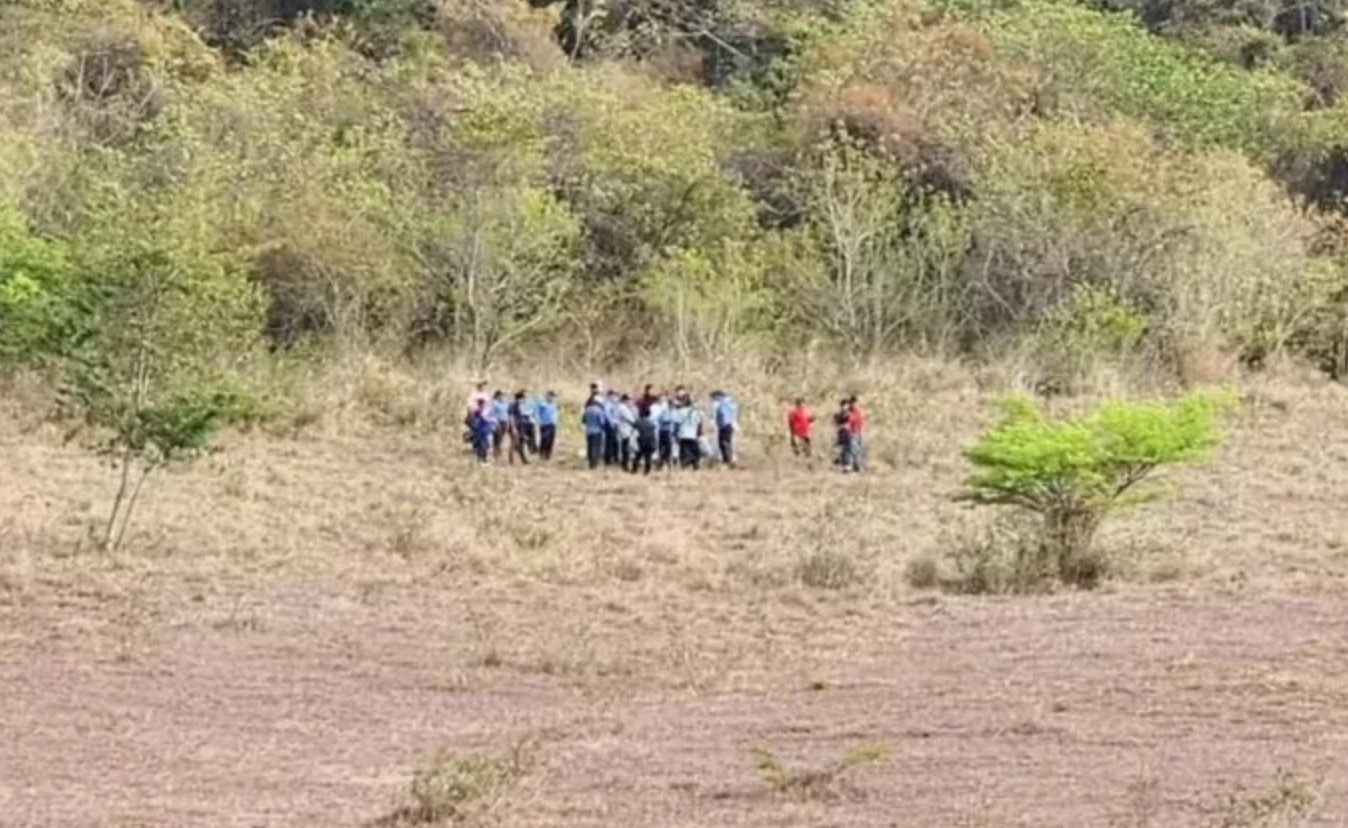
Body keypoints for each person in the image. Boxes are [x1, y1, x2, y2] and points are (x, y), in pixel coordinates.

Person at [673, 395, 703, 470]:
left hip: (683, 434)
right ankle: (695, 463)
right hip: (693, 434)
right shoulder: (696, 412)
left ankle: (685, 464)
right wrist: (698, 433)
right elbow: (699, 423)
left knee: (684, 450)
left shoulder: (681, 411)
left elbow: (677, 423)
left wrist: (675, 433)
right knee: (694, 450)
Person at [710, 390, 738, 468]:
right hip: (725, 426)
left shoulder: (723, 404)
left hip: (726, 425)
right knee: (723, 444)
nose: (713, 400)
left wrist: (720, 423)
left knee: (725, 443)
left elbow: (723, 415)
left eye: (713, 398)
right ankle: (728, 460)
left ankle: (728, 461)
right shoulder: (729, 403)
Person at [582, 395, 608, 469]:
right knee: (596, 446)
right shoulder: (599, 410)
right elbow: (602, 422)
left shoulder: (587, 409)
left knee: (590, 446)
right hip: (597, 431)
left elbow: (583, 420)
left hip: (588, 431)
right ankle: (594, 463)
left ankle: (590, 462)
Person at [506, 391, 531, 466]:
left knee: (520, 444)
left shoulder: (518, 405)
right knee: (513, 443)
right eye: (523, 399)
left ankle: (524, 461)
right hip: (514, 427)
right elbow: (511, 417)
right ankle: (511, 461)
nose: (524, 400)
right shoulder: (513, 405)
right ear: (519, 399)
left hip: (519, 427)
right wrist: (514, 428)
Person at [631, 408, 658, 475]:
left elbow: (634, 432)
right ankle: (647, 471)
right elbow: (654, 434)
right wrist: (655, 443)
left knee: (638, 456)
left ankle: (634, 470)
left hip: (641, 441)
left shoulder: (638, 422)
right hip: (650, 442)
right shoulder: (651, 423)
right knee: (648, 457)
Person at [615, 393, 637, 471]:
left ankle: (624, 464)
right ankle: (625, 465)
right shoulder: (623, 408)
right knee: (625, 448)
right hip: (625, 430)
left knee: (625, 448)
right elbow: (631, 419)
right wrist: (637, 423)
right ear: (625, 400)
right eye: (629, 400)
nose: (630, 401)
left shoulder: (624, 407)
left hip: (626, 430)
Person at [468, 399, 493, 464]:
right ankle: (480, 459)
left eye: (484, 404)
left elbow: (489, 418)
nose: (484, 405)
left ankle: (483, 458)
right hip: (480, 430)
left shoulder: (485, 410)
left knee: (486, 445)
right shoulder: (478, 411)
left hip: (485, 430)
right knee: (481, 445)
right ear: (480, 404)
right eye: (483, 404)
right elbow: (482, 417)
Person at [844, 395, 865, 473]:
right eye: (853, 403)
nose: (854, 404)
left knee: (857, 449)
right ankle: (849, 465)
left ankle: (857, 465)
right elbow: (846, 421)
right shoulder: (849, 412)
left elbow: (861, 422)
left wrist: (861, 431)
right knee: (851, 448)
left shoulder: (858, 411)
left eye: (856, 403)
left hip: (857, 432)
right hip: (851, 432)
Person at [654, 391, 675, 469]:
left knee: (667, 447)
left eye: (664, 398)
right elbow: (662, 418)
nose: (663, 400)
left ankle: (665, 462)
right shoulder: (661, 408)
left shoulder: (668, 407)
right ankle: (662, 462)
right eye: (662, 398)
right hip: (663, 430)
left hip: (667, 430)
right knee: (663, 447)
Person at [536, 391, 559, 461]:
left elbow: (555, 413)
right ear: (547, 396)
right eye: (551, 396)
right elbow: (537, 413)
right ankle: (541, 452)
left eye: (553, 397)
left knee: (551, 440)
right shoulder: (542, 404)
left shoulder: (554, 404)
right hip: (544, 424)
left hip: (552, 424)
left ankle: (548, 453)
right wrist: (539, 421)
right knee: (545, 439)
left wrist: (555, 421)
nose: (552, 398)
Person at [602, 390, 621, 467]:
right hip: (610, 426)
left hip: (615, 425)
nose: (615, 397)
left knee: (615, 442)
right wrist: (611, 424)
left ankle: (615, 458)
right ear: (610, 396)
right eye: (613, 396)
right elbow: (607, 415)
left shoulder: (615, 404)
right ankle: (608, 459)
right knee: (609, 443)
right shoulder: (608, 404)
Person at [490, 390, 509, 460]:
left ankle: (498, 449)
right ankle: (495, 451)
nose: (502, 397)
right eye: (500, 396)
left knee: (501, 437)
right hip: (497, 422)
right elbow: (492, 413)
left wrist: (508, 422)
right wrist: (494, 422)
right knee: (497, 436)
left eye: (502, 396)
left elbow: (507, 412)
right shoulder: (494, 403)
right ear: (497, 396)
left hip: (504, 421)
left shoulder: (505, 403)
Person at [832, 398, 851, 470]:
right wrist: (840, 426)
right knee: (839, 448)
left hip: (847, 433)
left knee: (846, 449)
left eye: (847, 405)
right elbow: (835, 423)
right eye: (845, 405)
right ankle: (841, 464)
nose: (846, 407)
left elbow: (849, 423)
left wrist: (842, 425)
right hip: (841, 433)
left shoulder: (848, 414)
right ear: (842, 406)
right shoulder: (839, 414)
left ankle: (846, 465)